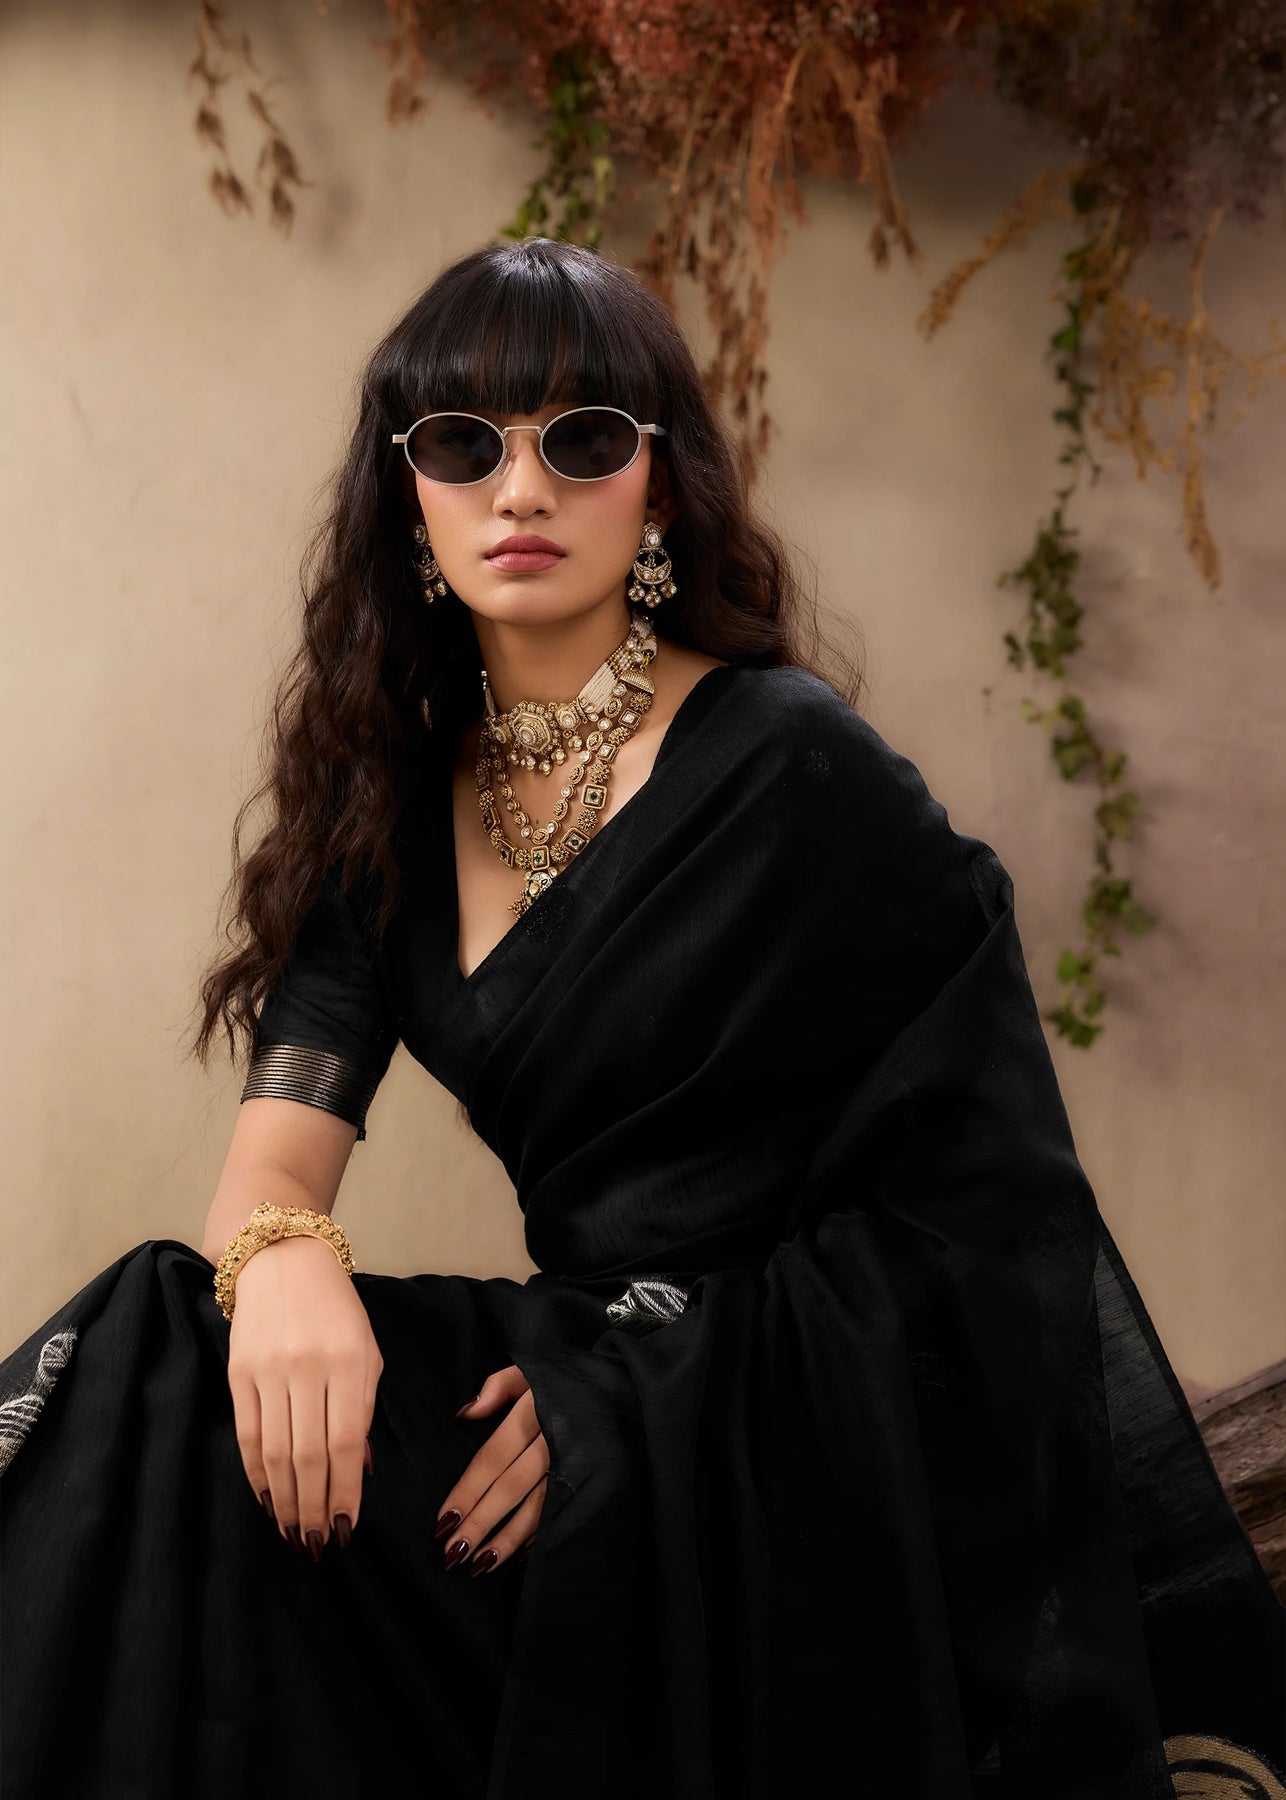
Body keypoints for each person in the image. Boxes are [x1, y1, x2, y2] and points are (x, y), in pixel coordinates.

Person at [0, 236, 1281, 1800]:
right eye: (462, 446)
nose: (520, 490)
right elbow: (276, 1158)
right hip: (552, 1408)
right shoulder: (387, 809)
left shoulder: (792, 769)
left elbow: (983, 1217)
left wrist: (648, 1385)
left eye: (583, 440)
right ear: (405, 496)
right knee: (163, 1352)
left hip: (764, 1442)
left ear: (658, 487)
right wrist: (281, 1268)